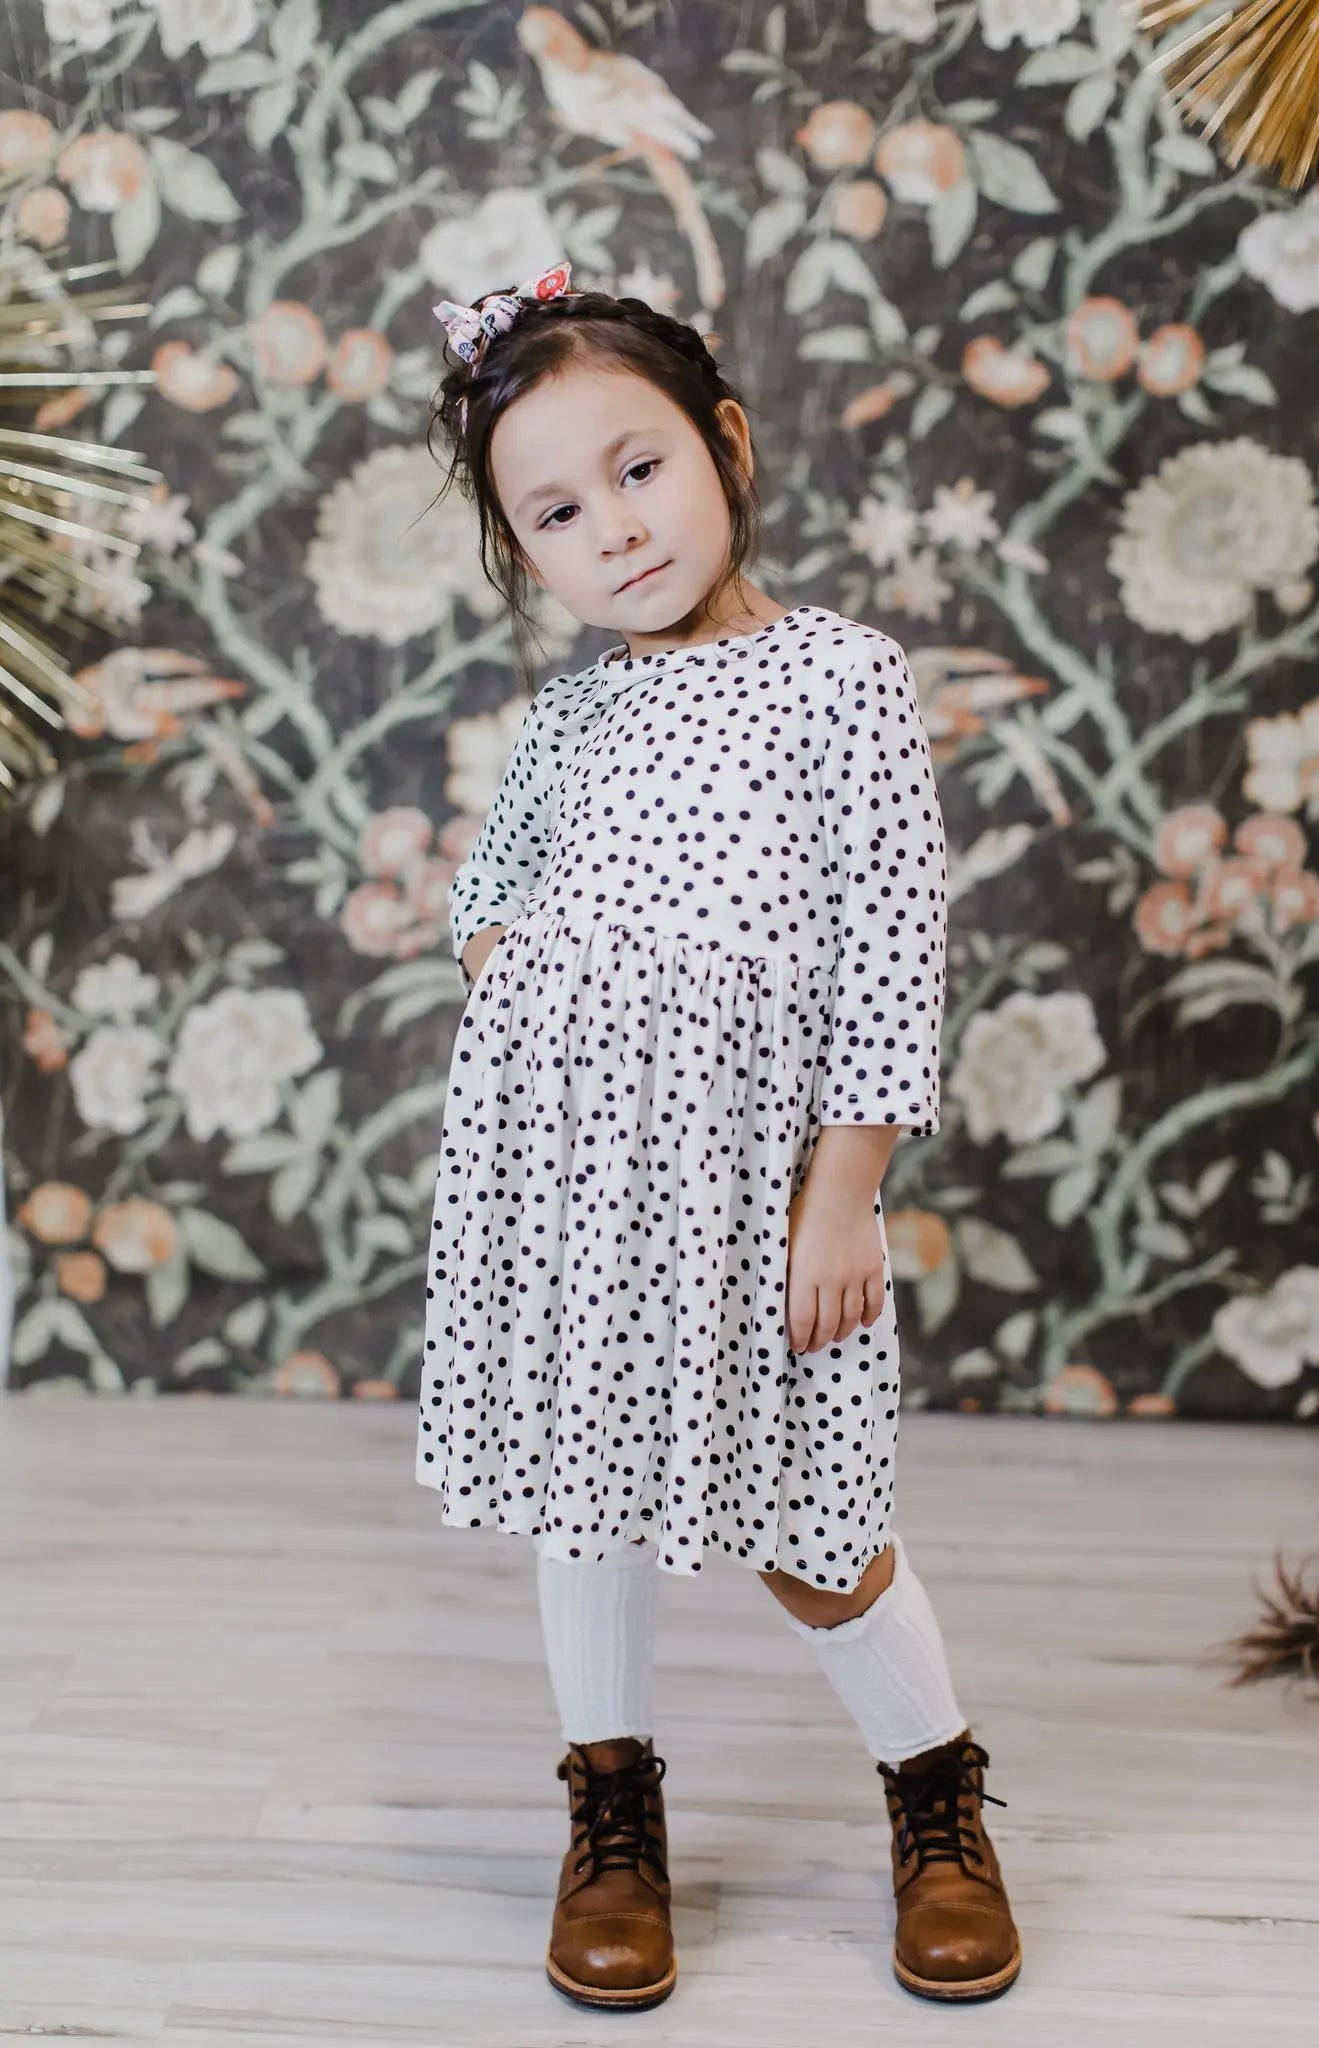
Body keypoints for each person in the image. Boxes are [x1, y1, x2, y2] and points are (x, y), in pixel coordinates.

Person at [416, 259, 1021, 2012]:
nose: (610, 527)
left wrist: (844, 1197)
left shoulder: (842, 680)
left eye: (638, 469)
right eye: (553, 509)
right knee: (585, 1494)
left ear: (726, 446)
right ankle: (611, 1808)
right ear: (521, 552)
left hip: (758, 1187)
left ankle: (935, 1793)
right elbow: (485, 897)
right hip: (576, 1178)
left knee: (816, 1520)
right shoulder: (570, 717)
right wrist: (527, 973)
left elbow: (892, 950)